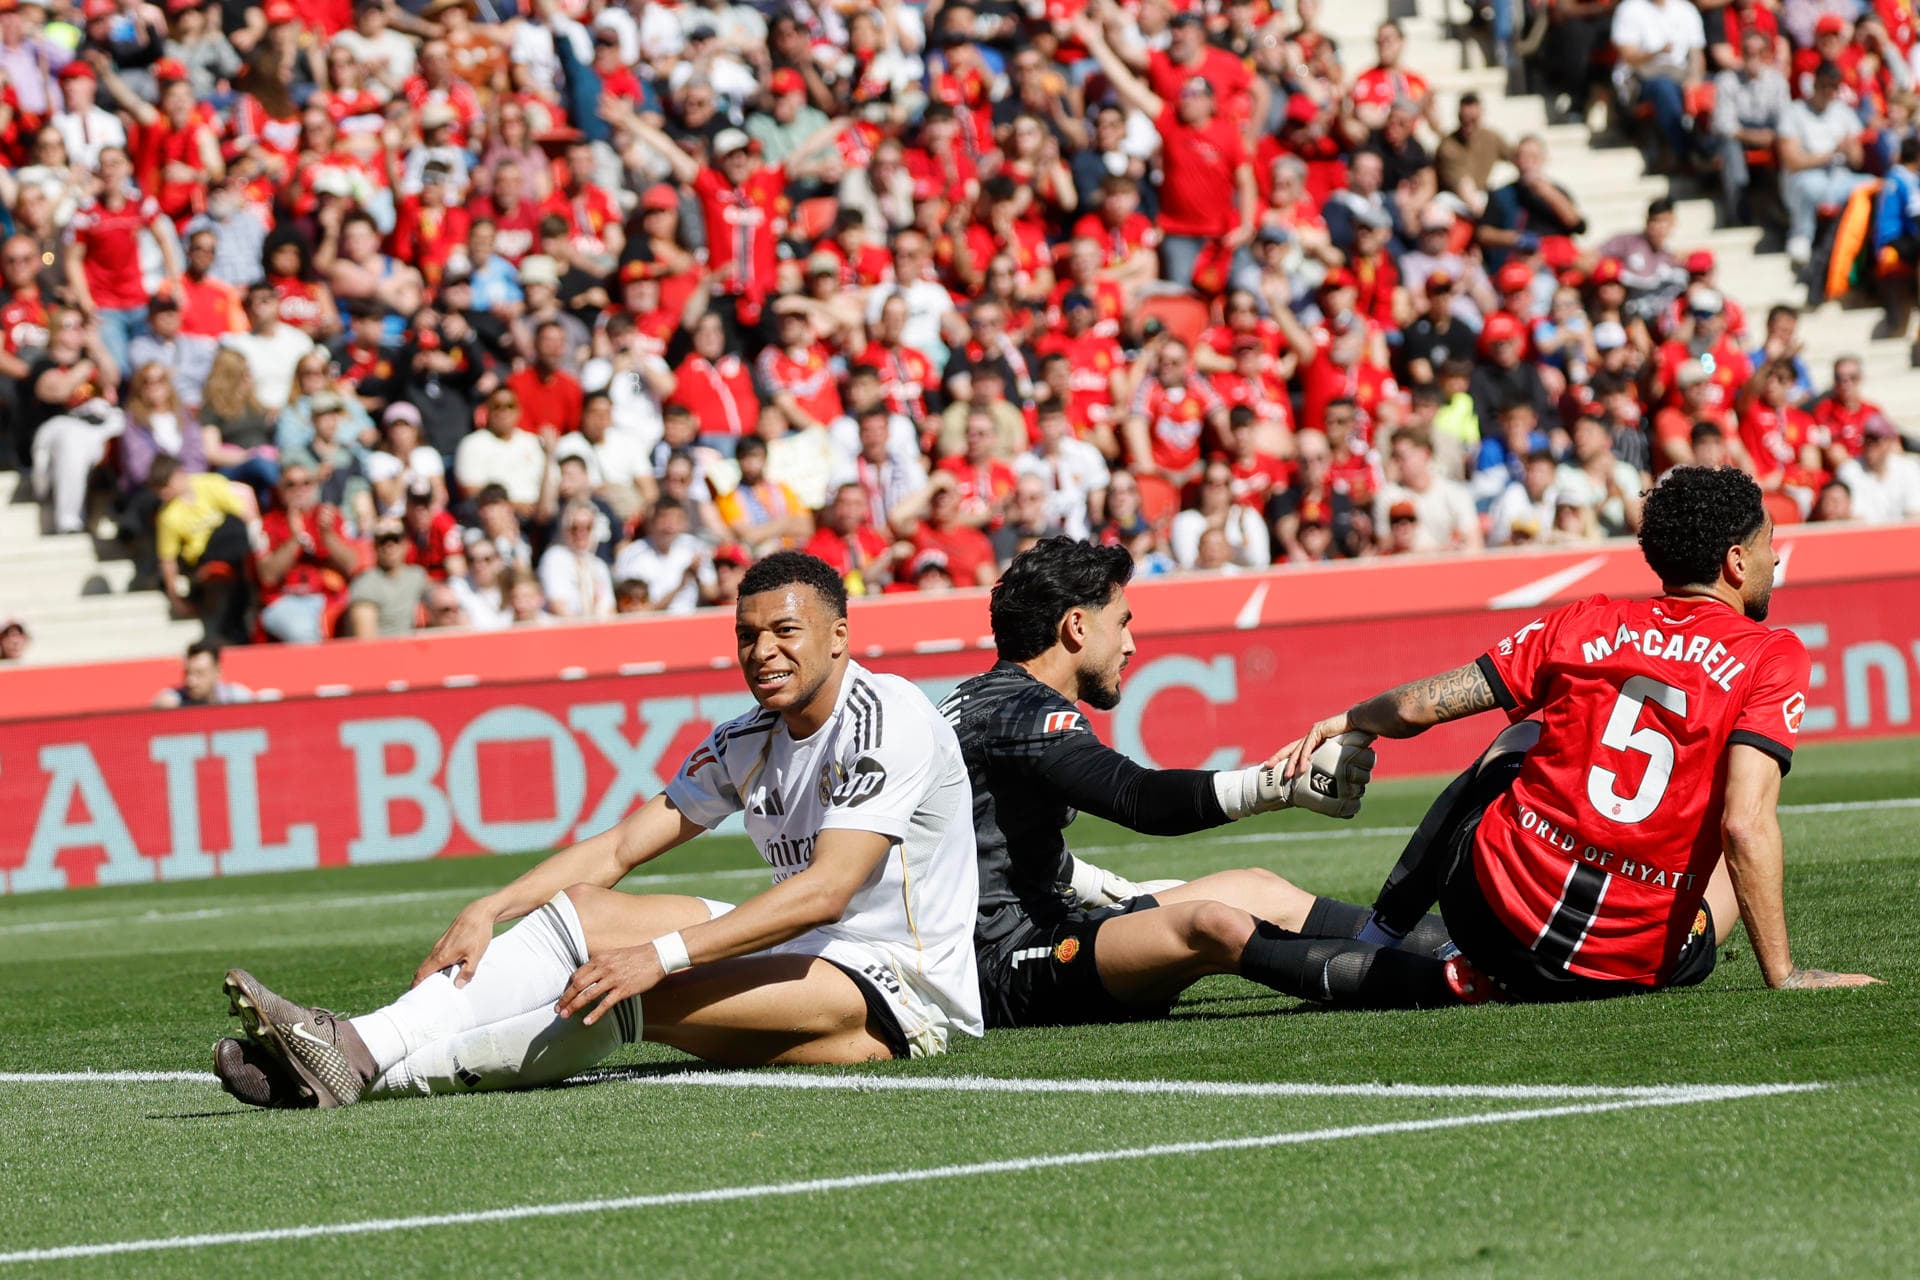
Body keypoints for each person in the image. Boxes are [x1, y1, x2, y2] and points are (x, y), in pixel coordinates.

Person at [212, 552, 986, 1108]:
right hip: (803, 956)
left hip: (899, 989)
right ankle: (353, 1048)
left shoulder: (887, 719)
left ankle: (374, 1071)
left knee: (620, 988)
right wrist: (494, 907)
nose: (762, 652)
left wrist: (658, 957)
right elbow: (620, 847)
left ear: (840, 635)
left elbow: (826, 890)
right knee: (584, 912)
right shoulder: (747, 736)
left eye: (785, 632)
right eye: (747, 636)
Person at [1271, 466, 1880, 1008]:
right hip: (1639, 966)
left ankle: (1384, 930)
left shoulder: (1585, 621)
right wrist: (1785, 974)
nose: (1777, 559)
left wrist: (1351, 719)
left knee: (1516, 740)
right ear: (1736, 562)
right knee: (1734, 812)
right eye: (1770, 543)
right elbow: (1744, 825)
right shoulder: (1772, 654)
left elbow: (1414, 708)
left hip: (1494, 923)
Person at [942, 537, 1432, 1031]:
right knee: (1210, 923)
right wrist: (1278, 785)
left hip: (1032, 927)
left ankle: (1470, 946)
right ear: (1076, 626)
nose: (1130, 645)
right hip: (1001, 962)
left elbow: (995, 845)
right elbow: (1137, 798)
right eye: (1122, 623)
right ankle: (1447, 983)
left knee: (1254, 889)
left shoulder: (986, 703)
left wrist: (1108, 888)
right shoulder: (1022, 714)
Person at [154, 640, 254, 708]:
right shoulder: (173, 701)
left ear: (217, 672)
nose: (190, 681)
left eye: (199, 673)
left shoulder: (237, 698)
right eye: (188, 673)